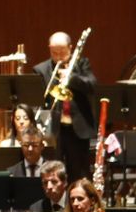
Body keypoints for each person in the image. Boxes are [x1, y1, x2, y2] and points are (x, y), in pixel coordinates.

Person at [35, 31, 98, 182]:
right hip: (54, 129)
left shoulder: (82, 64)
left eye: (62, 52)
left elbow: (92, 85)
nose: (58, 56)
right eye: (54, 52)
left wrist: (71, 78)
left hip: (78, 129)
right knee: (54, 172)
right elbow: (39, 99)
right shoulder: (41, 69)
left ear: (70, 48)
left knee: (79, 173)